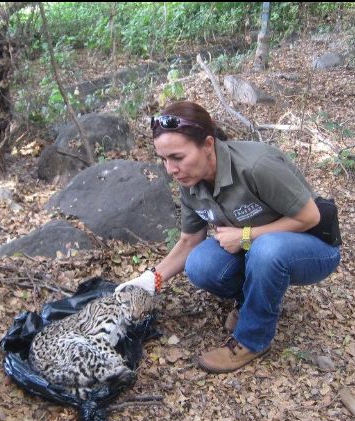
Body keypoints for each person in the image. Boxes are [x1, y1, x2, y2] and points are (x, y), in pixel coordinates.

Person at [115, 101, 341, 373]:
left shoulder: (256, 165)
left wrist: (246, 235)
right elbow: (189, 241)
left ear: (208, 145)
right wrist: (151, 279)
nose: (170, 169)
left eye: (177, 157)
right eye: (163, 159)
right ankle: (252, 301)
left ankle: (253, 339)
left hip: (312, 248)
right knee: (200, 264)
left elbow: (310, 217)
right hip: (257, 249)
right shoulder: (191, 184)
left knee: (267, 249)